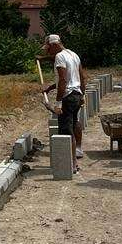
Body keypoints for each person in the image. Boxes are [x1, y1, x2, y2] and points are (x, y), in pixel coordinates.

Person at [42, 34, 87, 165]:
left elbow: (63, 80)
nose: (48, 52)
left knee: (67, 130)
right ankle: (78, 150)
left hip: (67, 97)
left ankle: (72, 163)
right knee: (75, 121)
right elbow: (80, 77)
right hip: (77, 94)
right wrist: (82, 95)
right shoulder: (73, 55)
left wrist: (58, 103)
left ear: (54, 45)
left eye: (48, 49)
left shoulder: (59, 57)